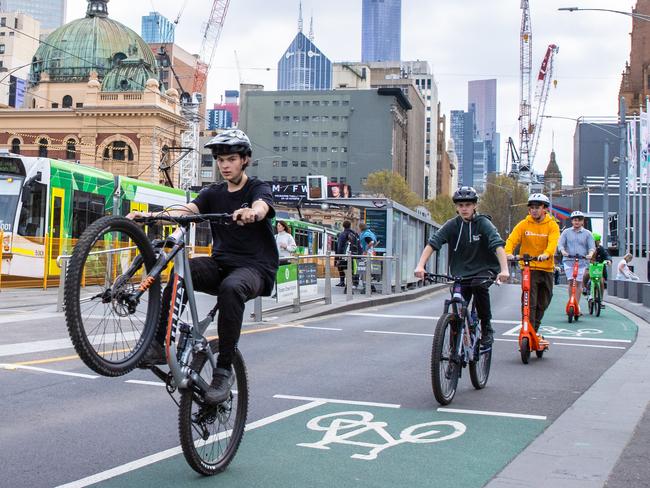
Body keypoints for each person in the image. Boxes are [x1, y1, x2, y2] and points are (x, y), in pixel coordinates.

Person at [127, 129, 278, 405]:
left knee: (232, 289)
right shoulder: (213, 192)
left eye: (231, 159)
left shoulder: (257, 187)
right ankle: (159, 344)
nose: (225, 165)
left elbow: (262, 205)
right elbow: (187, 211)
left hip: (255, 269)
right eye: (220, 160)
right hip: (221, 265)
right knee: (184, 269)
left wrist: (253, 213)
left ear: (245, 160)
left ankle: (223, 370)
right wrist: (149, 216)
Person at [414, 186, 510, 347]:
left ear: (475, 206)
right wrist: (420, 266)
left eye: (468, 205)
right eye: (460, 205)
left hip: (483, 270)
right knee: (458, 307)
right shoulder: (452, 225)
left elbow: (497, 245)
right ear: (456, 207)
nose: (464, 208)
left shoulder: (483, 223)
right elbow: (433, 243)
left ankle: (486, 327)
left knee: (479, 286)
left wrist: (504, 269)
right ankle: (454, 353)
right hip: (460, 272)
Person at [505, 193, 560, 335]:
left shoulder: (552, 225)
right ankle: (528, 330)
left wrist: (546, 254)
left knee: (544, 301)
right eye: (532, 208)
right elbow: (512, 239)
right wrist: (508, 252)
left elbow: (553, 243)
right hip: (529, 268)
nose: (534, 210)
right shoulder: (523, 224)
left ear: (545, 209)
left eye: (537, 207)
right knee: (530, 300)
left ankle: (534, 327)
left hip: (546, 268)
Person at [557, 210, 595, 313]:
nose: (576, 222)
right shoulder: (566, 232)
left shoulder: (588, 234)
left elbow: (592, 247)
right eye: (574, 220)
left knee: (578, 283)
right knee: (570, 282)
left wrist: (590, 254)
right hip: (569, 260)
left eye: (579, 220)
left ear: (582, 222)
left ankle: (576, 305)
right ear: (572, 221)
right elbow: (560, 244)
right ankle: (571, 302)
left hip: (582, 261)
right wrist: (563, 251)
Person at [582, 232, 612, 305]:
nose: (599, 242)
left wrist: (609, 260)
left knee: (601, 282)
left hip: (598, 269)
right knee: (586, 274)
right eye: (598, 240)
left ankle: (601, 300)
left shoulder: (601, 249)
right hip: (589, 267)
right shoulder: (586, 248)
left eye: (599, 241)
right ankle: (584, 288)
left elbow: (607, 255)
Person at [335, 220, 359, 288]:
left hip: (344, 255)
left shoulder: (342, 234)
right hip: (354, 255)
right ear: (350, 226)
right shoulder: (355, 234)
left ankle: (342, 281)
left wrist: (339, 257)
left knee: (341, 267)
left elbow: (340, 246)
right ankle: (353, 282)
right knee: (352, 268)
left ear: (343, 226)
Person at [358, 222, 378, 292]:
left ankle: (366, 287)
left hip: (367, 255)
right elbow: (375, 242)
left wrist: (365, 250)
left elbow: (371, 242)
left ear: (360, 228)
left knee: (365, 271)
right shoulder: (370, 233)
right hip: (371, 253)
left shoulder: (365, 234)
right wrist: (372, 248)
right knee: (369, 271)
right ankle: (371, 286)